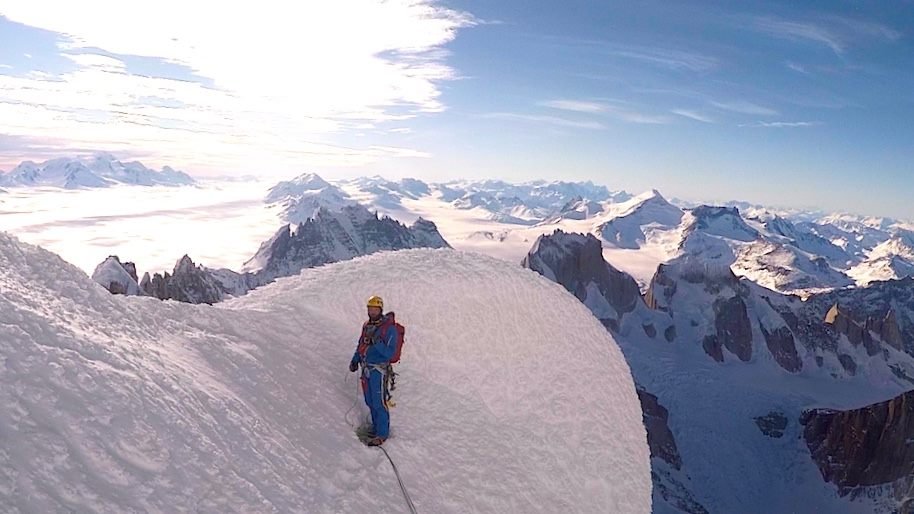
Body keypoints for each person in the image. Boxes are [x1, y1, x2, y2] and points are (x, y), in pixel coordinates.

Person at [349, 295, 397, 446]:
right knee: (370, 400)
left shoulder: (389, 329)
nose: (372, 311)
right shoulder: (367, 326)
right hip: (366, 368)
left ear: (380, 309)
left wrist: (376, 343)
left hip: (379, 370)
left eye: (375, 309)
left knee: (379, 402)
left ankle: (382, 434)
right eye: (370, 308)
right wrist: (355, 359)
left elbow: (390, 353)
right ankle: (376, 428)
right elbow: (361, 344)